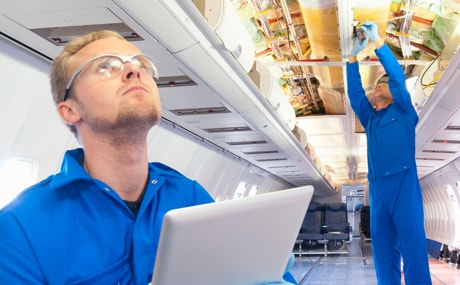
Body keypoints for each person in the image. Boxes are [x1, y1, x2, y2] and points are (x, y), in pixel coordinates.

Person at [0, 30, 296, 284]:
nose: (133, 70)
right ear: (69, 110)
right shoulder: (20, 227)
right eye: (105, 67)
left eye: (140, 63)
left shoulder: (188, 196)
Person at [347, 21, 432, 284]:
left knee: (414, 250)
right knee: (383, 255)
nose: (378, 86)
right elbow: (355, 94)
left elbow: (396, 76)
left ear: (395, 95)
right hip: (378, 190)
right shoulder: (371, 120)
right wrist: (352, 58)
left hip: (403, 185)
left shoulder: (405, 112)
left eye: (383, 85)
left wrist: (378, 43)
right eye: (377, 85)